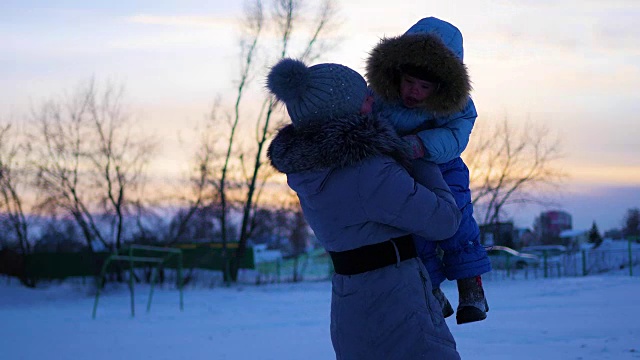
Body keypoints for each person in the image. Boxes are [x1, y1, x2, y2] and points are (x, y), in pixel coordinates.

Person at [266, 57, 462, 359]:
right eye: (363, 97)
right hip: (397, 305)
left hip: (352, 303)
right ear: (342, 112)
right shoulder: (368, 171)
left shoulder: (307, 171)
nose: (373, 97)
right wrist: (422, 155)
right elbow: (444, 220)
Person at [366, 16, 492, 324]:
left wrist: (423, 143)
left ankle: (471, 287)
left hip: (443, 164)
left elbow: (456, 135)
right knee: (413, 227)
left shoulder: (457, 105)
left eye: (424, 86)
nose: (414, 92)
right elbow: (364, 119)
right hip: (400, 170)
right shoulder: (378, 97)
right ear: (397, 73)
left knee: (457, 218)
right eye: (409, 82)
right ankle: (430, 289)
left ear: (441, 86)